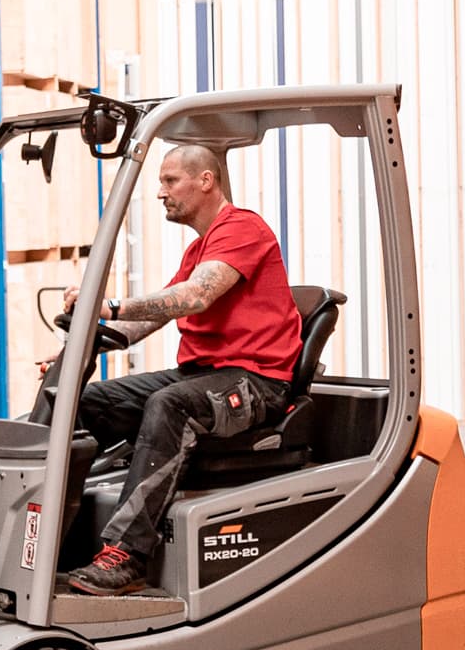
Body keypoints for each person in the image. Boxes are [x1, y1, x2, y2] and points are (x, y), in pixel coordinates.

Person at [54, 143, 304, 596]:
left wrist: (107, 303)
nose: (161, 193)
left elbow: (194, 297)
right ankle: (59, 533)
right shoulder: (199, 250)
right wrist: (80, 345)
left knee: (169, 405)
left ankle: (127, 556)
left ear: (205, 181)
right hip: (203, 377)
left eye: (170, 181)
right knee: (89, 401)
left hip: (255, 385)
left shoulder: (243, 228)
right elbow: (151, 317)